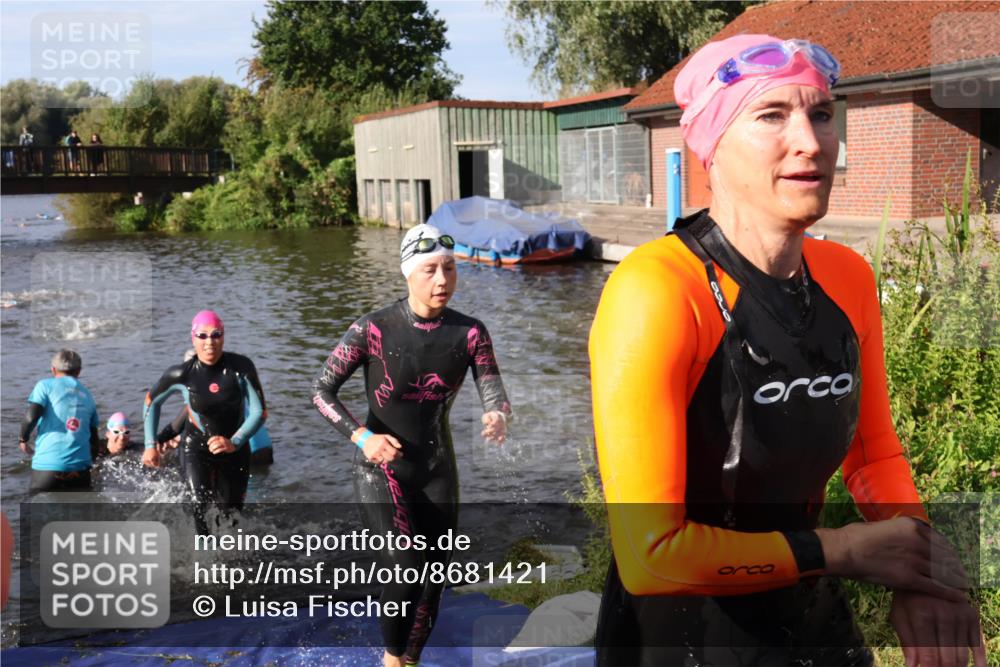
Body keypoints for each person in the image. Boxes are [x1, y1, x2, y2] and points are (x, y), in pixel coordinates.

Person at [589, 35, 986, 666]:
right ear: (711, 146)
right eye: (772, 115)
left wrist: (922, 571)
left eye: (821, 114)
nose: (811, 140)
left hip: (811, 618)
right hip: (682, 635)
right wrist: (848, 551)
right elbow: (649, 555)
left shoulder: (847, 276)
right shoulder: (658, 291)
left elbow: (873, 453)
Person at [312, 223, 512, 667]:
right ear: (407, 273)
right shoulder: (372, 329)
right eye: (429, 270)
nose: (442, 280)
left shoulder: (471, 333)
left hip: (437, 469)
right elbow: (320, 392)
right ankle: (391, 658)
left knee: (433, 579)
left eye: (449, 268)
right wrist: (362, 437)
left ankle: (412, 659)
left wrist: (496, 413)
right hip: (381, 469)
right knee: (405, 567)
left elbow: (493, 387)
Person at [142, 311, 266, 534]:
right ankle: (202, 559)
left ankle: (230, 560)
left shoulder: (241, 367)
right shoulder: (182, 374)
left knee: (232, 515)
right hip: (196, 447)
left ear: (224, 336)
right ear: (193, 338)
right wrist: (151, 445)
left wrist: (234, 441)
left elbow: (260, 412)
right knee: (199, 505)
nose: (209, 342)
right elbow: (151, 403)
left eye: (216, 334)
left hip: (234, 449)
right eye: (202, 335)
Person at [156, 349, 274, 467]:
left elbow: (177, 427)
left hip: (242, 451)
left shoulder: (202, 401)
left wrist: (157, 441)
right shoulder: (230, 386)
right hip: (265, 448)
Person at [18, 349, 100, 493]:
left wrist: (23, 439)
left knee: (37, 513)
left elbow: (31, 416)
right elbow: (94, 439)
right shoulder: (88, 395)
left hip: (48, 469)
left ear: (53, 370)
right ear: (79, 371)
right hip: (80, 471)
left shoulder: (45, 386)